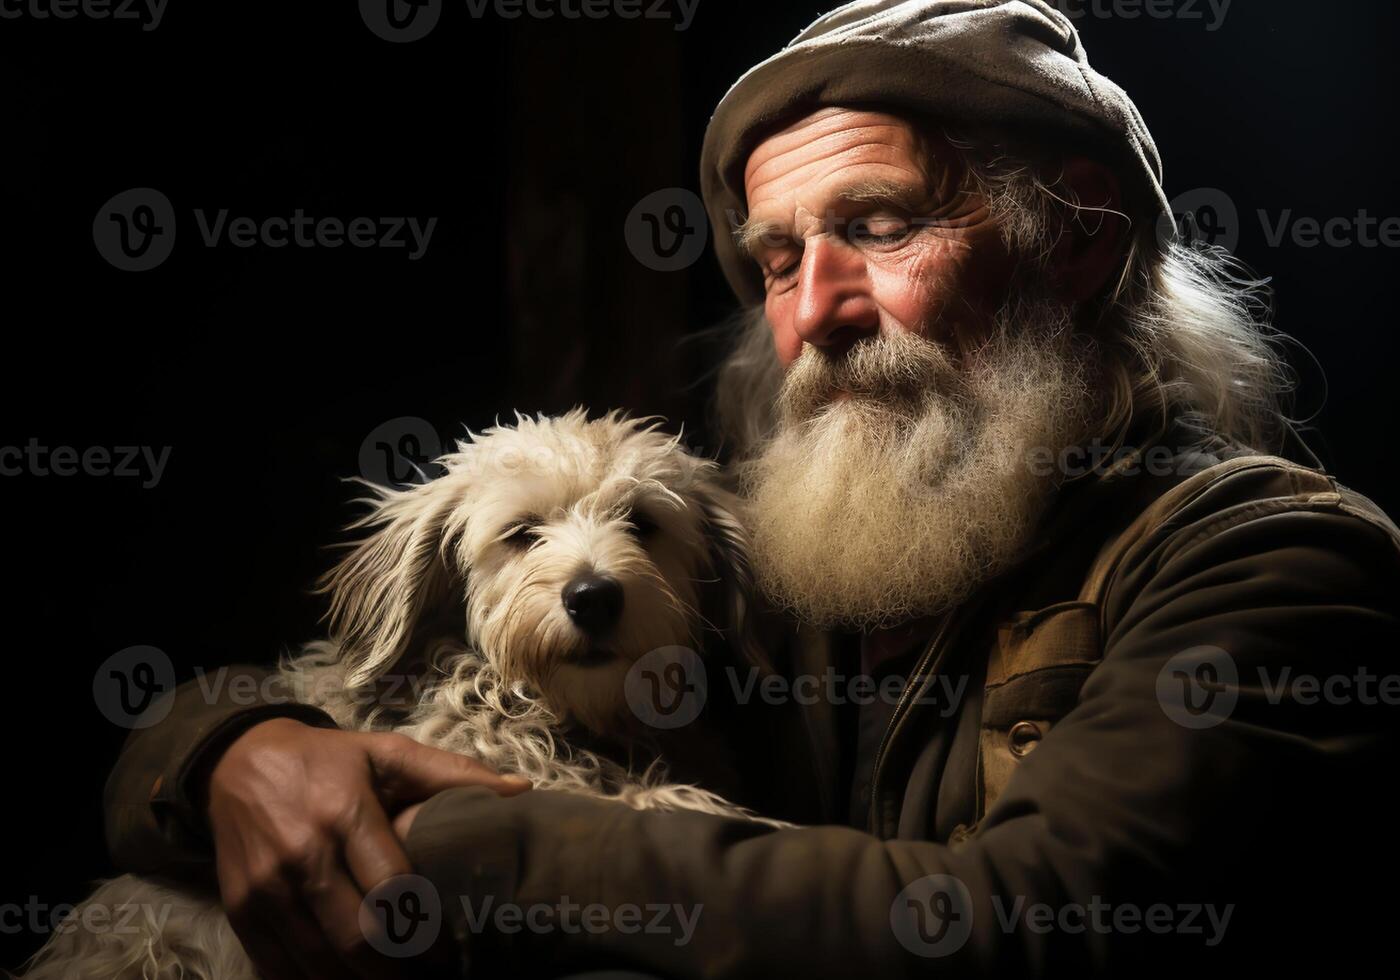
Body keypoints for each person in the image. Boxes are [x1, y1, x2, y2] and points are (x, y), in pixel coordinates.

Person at [102, 1, 1400, 976]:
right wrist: (236, 758)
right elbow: (178, 759)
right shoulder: (792, 549)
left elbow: (1026, 925)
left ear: (1078, 240)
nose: (814, 310)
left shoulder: (1274, 561)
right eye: (779, 260)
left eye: (880, 227)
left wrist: (438, 833)